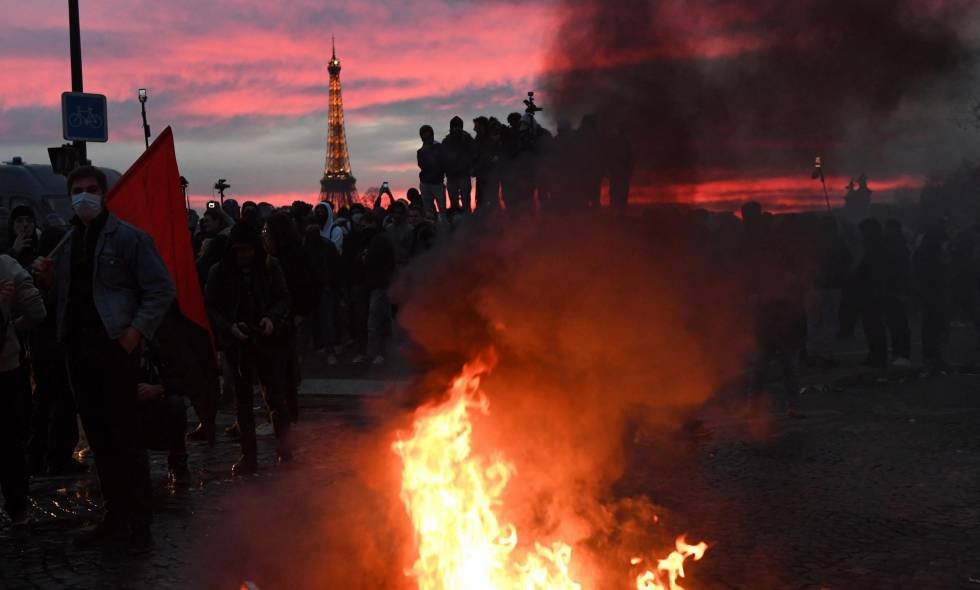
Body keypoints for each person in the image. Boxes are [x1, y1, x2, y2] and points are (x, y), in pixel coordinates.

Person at [35, 165, 175, 552]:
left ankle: (140, 524)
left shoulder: (129, 238)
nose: (83, 196)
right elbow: (63, 298)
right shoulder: (68, 242)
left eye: (90, 189)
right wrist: (47, 280)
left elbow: (160, 288)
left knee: (126, 438)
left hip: (115, 350)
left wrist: (134, 334)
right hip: (77, 352)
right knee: (99, 439)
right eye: (77, 190)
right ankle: (115, 517)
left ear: (104, 194)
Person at [204, 222, 292, 475]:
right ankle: (249, 455)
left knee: (275, 396)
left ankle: (285, 451)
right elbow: (210, 306)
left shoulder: (270, 266)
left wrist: (271, 319)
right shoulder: (219, 271)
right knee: (243, 402)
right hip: (237, 342)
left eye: (248, 250)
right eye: (239, 250)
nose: (243, 255)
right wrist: (230, 327)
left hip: (266, 339)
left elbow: (284, 297)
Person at [27, 227, 86, 476]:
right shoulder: (40, 275)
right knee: (59, 402)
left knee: (48, 402)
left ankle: (43, 456)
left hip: (49, 346)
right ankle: (55, 456)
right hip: (54, 348)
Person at [0, 252, 46, 528]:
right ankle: (18, 509)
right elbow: (37, 312)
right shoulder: (6, 265)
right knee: (11, 444)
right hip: (7, 368)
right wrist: (14, 327)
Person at [442, 116, 475, 213]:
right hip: (452, 176)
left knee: (466, 201)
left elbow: (474, 153)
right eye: (454, 126)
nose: (456, 128)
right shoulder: (446, 141)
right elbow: (442, 158)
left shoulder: (467, 139)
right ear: (451, 127)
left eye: (458, 126)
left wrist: (471, 167)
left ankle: (467, 221)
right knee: (454, 203)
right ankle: (456, 222)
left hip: (464, 175)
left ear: (461, 127)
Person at [417, 125, 447, 215]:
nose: (427, 138)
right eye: (424, 136)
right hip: (425, 184)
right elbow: (422, 165)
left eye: (428, 135)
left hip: (437, 183)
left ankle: (443, 226)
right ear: (422, 137)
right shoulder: (420, 151)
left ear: (432, 135)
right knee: (428, 211)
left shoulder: (439, 147)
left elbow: (443, 163)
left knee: (442, 211)